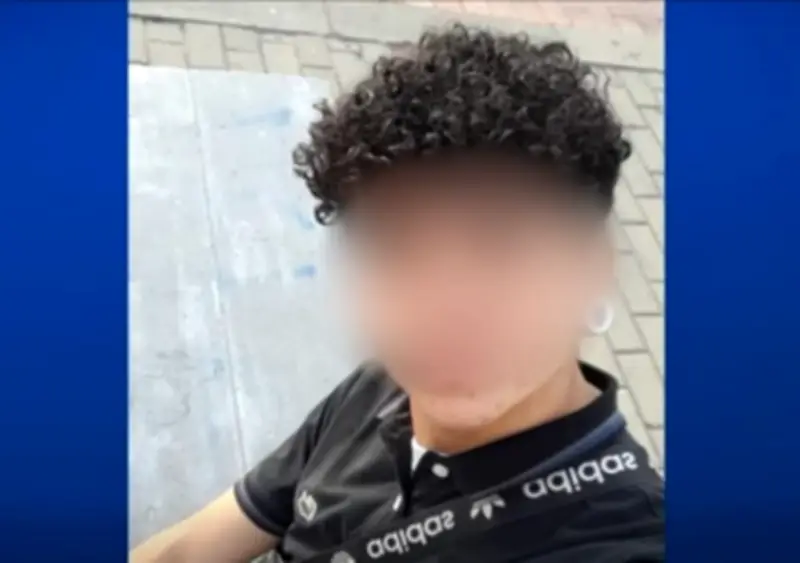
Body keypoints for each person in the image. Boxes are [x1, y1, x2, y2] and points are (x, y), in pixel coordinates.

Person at [131, 24, 664, 563]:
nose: (442, 309)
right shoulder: (379, 391)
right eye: (394, 248)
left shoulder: (623, 540)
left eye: (500, 245)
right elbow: (195, 545)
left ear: (594, 267)